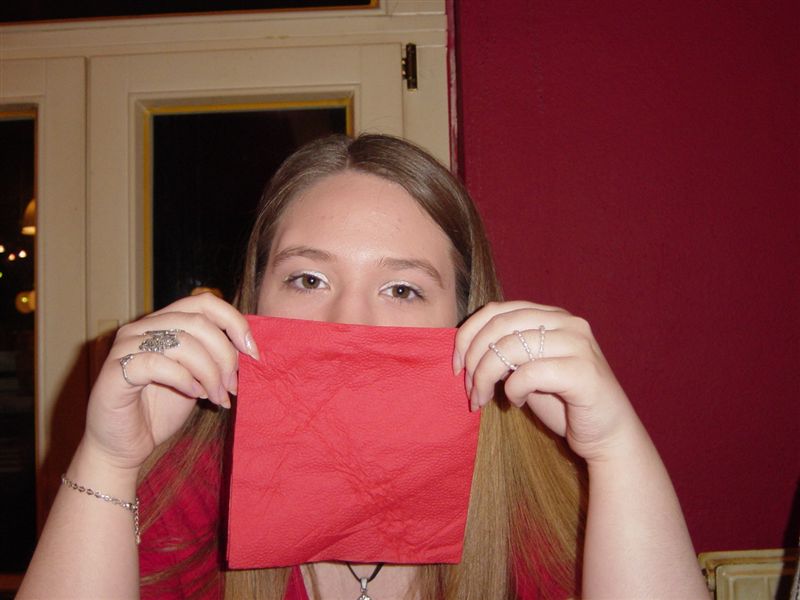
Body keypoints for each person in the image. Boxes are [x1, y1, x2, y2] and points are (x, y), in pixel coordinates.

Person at [18, 134, 708, 600]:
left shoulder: (539, 503)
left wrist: (617, 450)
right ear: (251, 304)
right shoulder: (191, 489)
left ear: (468, 317)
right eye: (308, 279)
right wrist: (109, 460)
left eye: (402, 289)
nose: (349, 321)